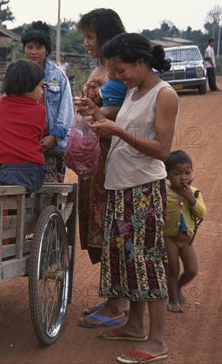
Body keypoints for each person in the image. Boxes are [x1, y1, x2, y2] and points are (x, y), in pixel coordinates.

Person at [80, 32, 178, 363]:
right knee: (125, 260)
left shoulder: (165, 95)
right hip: (120, 187)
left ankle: (157, 340)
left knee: (147, 260)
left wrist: (118, 131)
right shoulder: (135, 91)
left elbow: (163, 150)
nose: (118, 78)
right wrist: (96, 111)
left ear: (141, 62)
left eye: (121, 71)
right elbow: (120, 127)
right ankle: (135, 325)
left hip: (144, 190)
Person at [75, 8, 129, 328]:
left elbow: (126, 109)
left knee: (112, 227)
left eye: (90, 36)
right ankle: (113, 296)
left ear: (106, 36)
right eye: (84, 36)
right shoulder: (100, 68)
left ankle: (116, 304)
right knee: (100, 227)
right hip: (94, 160)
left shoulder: (119, 69)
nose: (85, 43)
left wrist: (96, 113)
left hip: (113, 158)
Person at [0, 60, 47, 192]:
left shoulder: (1, 105)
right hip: (34, 173)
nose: (42, 92)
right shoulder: (40, 110)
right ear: (27, 87)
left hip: (7, 171)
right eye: (41, 86)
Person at [21, 21, 74, 183]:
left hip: (52, 145)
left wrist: (54, 136)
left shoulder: (57, 76)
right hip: (24, 145)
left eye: (39, 47)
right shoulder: (17, 75)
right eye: (29, 47)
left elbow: (66, 109)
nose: (34, 52)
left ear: (47, 50)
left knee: (51, 195)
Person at [163, 150, 206, 313]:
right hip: (169, 237)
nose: (183, 177)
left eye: (187, 173)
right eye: (177, 173)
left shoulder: (194, 193)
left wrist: (191, 199)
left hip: (186, 239)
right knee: (173, 269)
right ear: (167, 176)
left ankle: (178, 287)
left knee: (192, 270)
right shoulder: (164, 193)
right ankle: (172, 299)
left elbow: (202, 213)